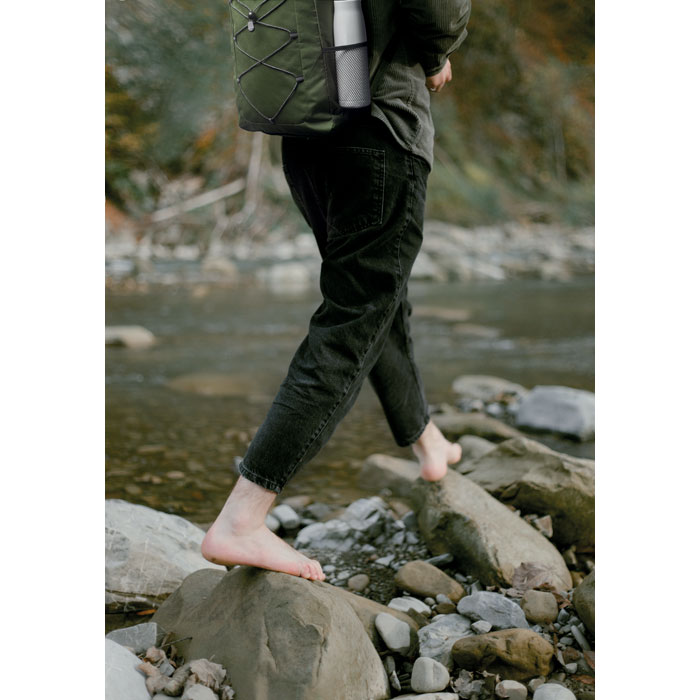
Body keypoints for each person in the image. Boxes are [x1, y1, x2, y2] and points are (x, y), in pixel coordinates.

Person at [202, 0, 472, 581]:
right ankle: (242, 518)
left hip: (305, 130)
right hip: (379, 128)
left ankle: (426, 441)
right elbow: (437, 9)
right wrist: (436, 56)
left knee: (376, 299)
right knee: (354, 320)